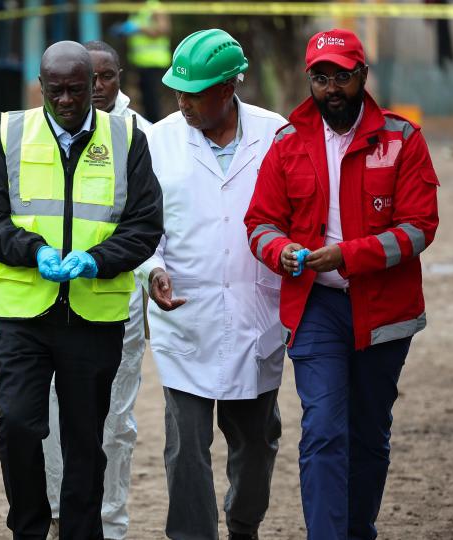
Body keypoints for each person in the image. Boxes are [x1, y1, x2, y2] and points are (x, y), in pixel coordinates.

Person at [244, 28, 440, 540]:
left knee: (369, 435)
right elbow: (260, 222)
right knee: (324, 430)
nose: (332, 88)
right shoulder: (288, 142)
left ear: (363, 76)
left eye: (342, 77)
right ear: (310, 78)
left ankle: (358, 531)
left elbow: (420, 228)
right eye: (321, 77)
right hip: (315, 306)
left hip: (384, 309)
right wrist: (279, 250)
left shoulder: (402, 139)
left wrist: (348, 255)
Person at [0, 40, 163, 540]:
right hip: (23, 313)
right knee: (17, 425)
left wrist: (96, 260)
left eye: (78, 89)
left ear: (95, 84)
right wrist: (32, 250)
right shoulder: (8, 135)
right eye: (56, 91)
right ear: (41, 87)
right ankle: (29, 529)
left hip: (92, 314)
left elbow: (144, 225)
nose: (69, 100)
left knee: (85, 439)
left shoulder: (125, 140)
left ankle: (81, 532)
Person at [141, 29, 286, 540]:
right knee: (184, 447)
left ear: (228, 88)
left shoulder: (277, 135)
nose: (182, 102)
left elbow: (295, 215)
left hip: (258, 312)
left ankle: (243, 526)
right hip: (183, 313)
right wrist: (152, 269)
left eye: (194, 92)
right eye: (177, 91)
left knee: (257, 440)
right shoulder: (158, 140)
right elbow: (140, 224)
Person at [42, 39, 150, 540]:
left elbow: (155, 226)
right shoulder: (36, 134)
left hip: (114, 304)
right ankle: (63, 515)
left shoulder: (138, 136)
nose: (99, 87)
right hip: (44, 306)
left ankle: (110, 524)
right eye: (92, 77)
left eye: (107, 77)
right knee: (48, 421)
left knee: (113, 424)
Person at [111, 0, 171, 122]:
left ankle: (155, 127)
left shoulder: (155, 7)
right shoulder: (136, 10)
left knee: (152, 101)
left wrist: (138, 28)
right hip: (140, 63)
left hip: (155, 62)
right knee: (145, 101)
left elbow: (164, 29)